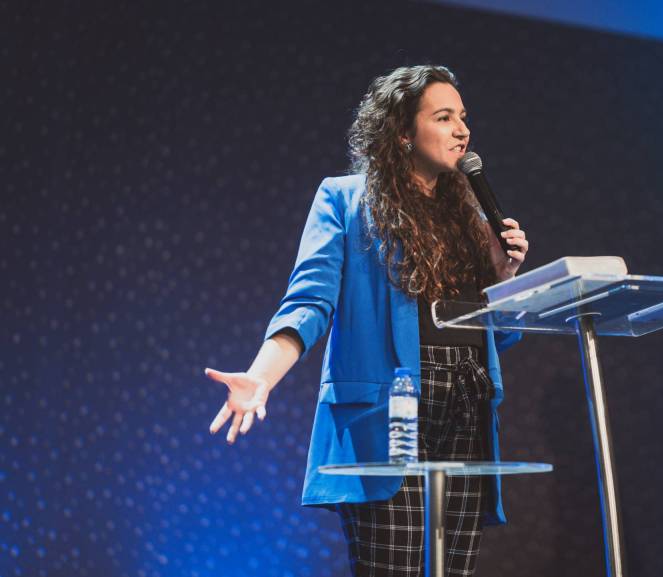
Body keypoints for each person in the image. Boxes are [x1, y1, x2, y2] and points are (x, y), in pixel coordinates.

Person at [204, 65, 529, 577]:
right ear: (402, 131)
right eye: (443, 117)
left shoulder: (469, 212)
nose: (462, 131)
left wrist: (502, 274)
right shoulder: (345, 199)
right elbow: (309, 302)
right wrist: (260, 376)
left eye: (463, 117)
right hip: (388, 407)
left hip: (467, 403)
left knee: (456, 569)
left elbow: (497, 334)